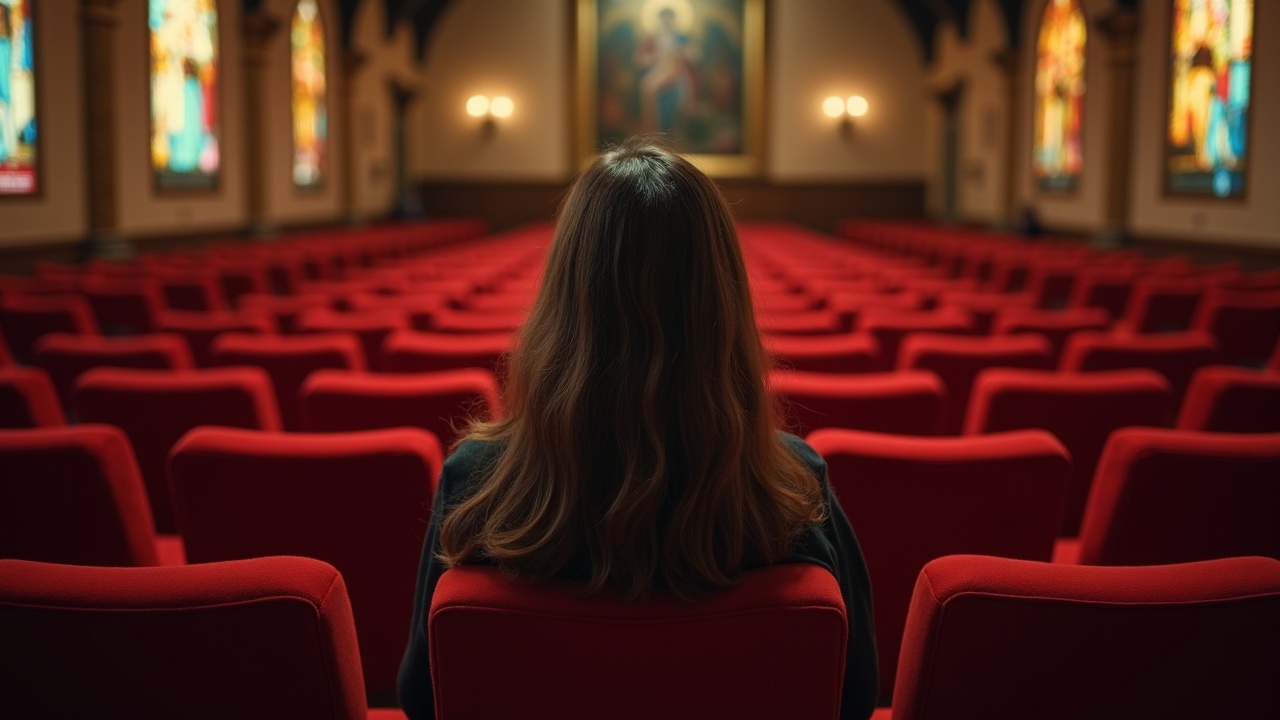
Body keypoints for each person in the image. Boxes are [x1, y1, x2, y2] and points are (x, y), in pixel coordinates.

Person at [397, 137, 878, 720]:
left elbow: (426, 696)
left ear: (564, 298)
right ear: (721, 305)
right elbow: (850, 696)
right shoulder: (795, 488)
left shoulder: (474, 480)